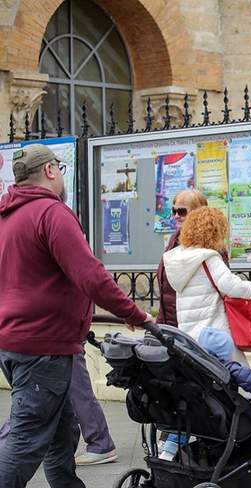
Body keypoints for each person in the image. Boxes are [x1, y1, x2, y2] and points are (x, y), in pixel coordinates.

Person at [0, 144, 150, 488]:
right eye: (59, 169)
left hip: (19, 341)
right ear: (51, 171)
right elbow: (91, 275)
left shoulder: (7, 215)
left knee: (61, 434)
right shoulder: (51, 213)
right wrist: (136, 314)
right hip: (43, 346)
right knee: (25, 440)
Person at [159, 330, 251, 460]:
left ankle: (168, 450)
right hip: (227, 418)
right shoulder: (227, 368)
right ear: (226, 352)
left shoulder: (193, 369)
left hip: (200, 418)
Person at [163, 206, 251, 366]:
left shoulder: (180, 260)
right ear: (215, 232)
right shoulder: (208, 258)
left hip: (190, 337)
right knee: (244, 378)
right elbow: (232, 286)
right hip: (213, 334)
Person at [156, 189, 228, 328]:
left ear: (198, 213)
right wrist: (159, 326)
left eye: (182, 211)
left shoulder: (212, 245)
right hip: (171, 325)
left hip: (199, 328)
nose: (176, 216)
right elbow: (167, 290)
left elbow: (224, 287)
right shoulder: (175, 239)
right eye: (174, 211)